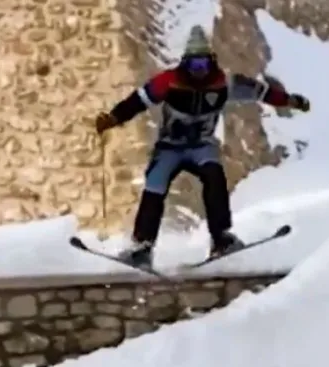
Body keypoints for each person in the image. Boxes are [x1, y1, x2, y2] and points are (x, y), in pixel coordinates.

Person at [94, 25, 311, 266]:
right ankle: (142, 246)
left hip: (202, 146)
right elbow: (138, 101)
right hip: (170, 147)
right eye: (195, 65)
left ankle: (221, 238)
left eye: (204, 65)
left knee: (214, 176)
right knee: (155, 184)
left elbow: (262, 93)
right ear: (186, 63)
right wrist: (114, 117)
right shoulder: (169, 81)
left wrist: (289, 100)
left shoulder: (223, 83)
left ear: (212, 62)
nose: (200, 71)